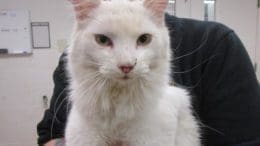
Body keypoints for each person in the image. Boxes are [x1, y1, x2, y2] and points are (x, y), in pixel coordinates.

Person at [37, 1, 260, 146]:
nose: (126, 63)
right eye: (104, 40)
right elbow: (47, 137)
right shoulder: (76, 63)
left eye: (143, 39)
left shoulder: (216, 43)